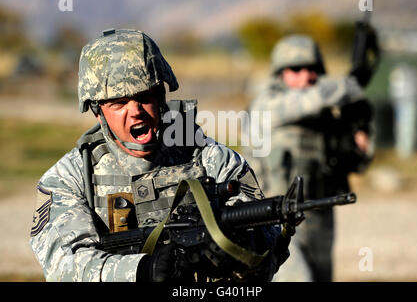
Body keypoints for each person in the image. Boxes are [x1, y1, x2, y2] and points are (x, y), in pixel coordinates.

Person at [29, 29, 289, 282]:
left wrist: (238, 249)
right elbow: (63, 267)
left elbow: (269, 251)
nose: (136, 112)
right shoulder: (69, 178)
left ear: (162, 98)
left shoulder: (214, 160)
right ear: (98, 111)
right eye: (118, 103)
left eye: (144, 97)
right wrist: (144, 271)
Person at [248, 34, 374, 282]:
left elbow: (359, 162)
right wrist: (350, 85)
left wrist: (360, 137)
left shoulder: (326, 119)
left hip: (320, 222)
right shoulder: (268, 104)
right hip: (274, 222)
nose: (306, 75)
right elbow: (308, 101)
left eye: (313, 69)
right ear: (279, 74)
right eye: (296, 69)